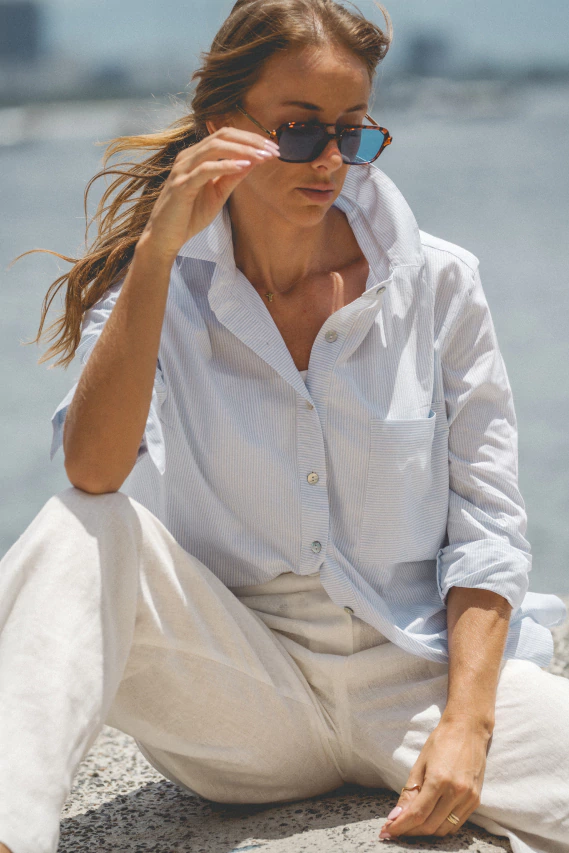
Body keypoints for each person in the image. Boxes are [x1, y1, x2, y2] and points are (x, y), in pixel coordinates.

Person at [1, 1, 568, 851]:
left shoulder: (438, 283)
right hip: (238, 692)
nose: (330, 160)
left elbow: (487, 525)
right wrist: (156, 251)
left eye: (352, 131)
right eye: (300, 131)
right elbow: (93, 471)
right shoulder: (155, 289)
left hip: (411, 679)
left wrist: (466, 725)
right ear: (221, 124)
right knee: (80, 526)